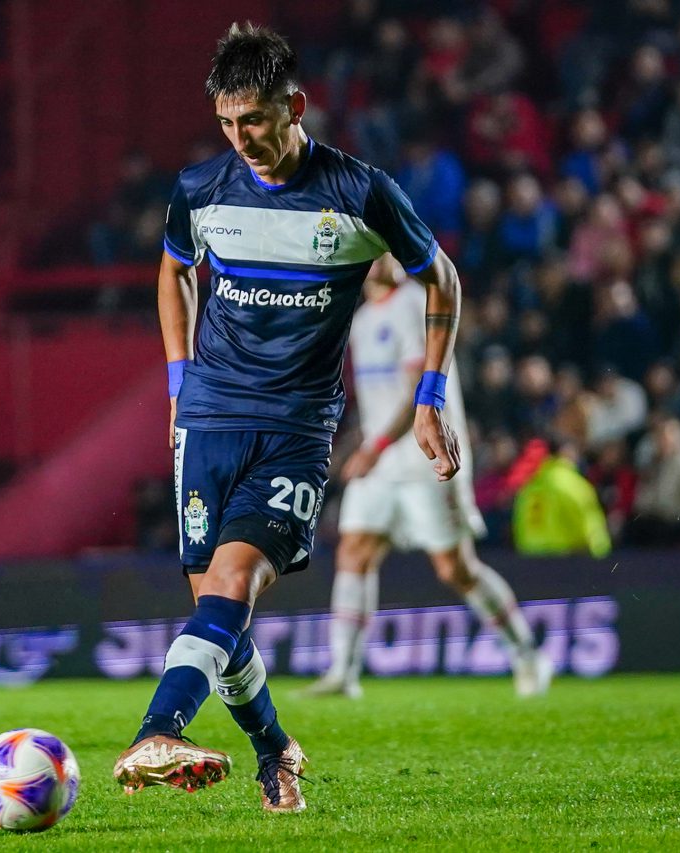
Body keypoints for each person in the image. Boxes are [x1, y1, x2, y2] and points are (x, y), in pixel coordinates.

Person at [112, 24, 462, 815]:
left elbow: (441, 278)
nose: (241, 141)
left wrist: (429, 398)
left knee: (232, 583)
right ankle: (276, 750)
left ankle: (156, 730)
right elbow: (174, 270)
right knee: (218, 614)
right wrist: (177, 381)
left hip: (296, 430)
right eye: (227, 124)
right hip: (207, 419)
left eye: (255, 121)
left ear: (294, 108)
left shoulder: (360, 192)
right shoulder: (202, 189)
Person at [306, 255, 552, 700]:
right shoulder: (362, 320)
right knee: (354, 551)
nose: (383, 258)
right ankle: (344, 672)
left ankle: (527, 654)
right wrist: (360, 446)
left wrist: (375, 447)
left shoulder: (416, 303)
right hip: (382, 460)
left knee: (455, 568)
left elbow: (416, 392)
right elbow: (379, 401)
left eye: (387, 250)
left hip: (428, 457)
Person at [512, 439, 612, 557]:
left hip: (528, 557)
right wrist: (601, 552)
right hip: (562, 558)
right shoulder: (572, 484)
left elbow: (518, 522)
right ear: (566, 452)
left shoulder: (530, 485)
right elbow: (591, 525)